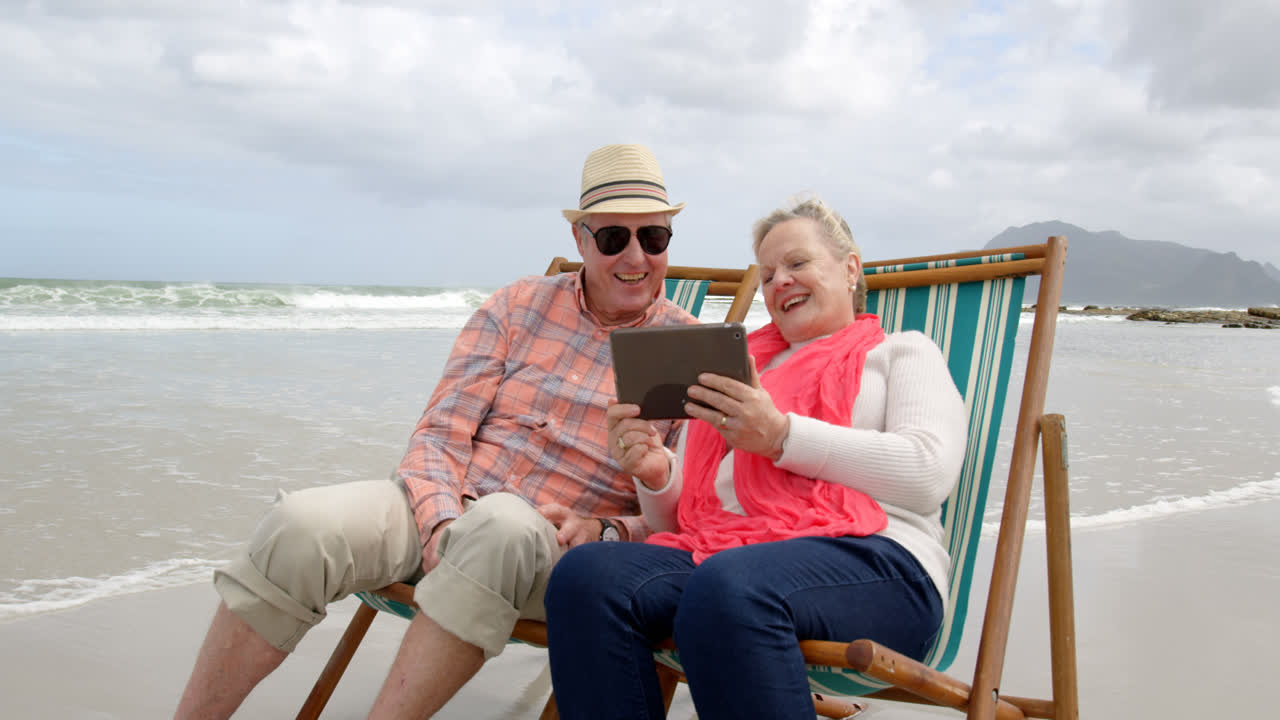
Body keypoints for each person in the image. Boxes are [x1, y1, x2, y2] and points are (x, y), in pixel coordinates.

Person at [174, 143, 698, 719]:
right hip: (446, 509)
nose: (635, 256)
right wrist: (444, 524)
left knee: (501, 526)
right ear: (580, 241)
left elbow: (683, 519)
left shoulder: (687, 355)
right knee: (300, 526)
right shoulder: (517, 305)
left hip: (551, 548)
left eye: (653, 238)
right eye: (612, 238)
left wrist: (603, 531)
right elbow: (439, 435)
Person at [543, 197, 968, 719]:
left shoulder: (902, 352)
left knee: (729, 586)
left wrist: (782, 436)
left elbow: (928, 472)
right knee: (587, 577)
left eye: (797, 263)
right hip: (729, 563)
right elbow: (686, 521)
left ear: (850, 267)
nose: (778, 282)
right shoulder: (736, 370)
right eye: (767, 275)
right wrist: (655, 476)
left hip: (880, 565)